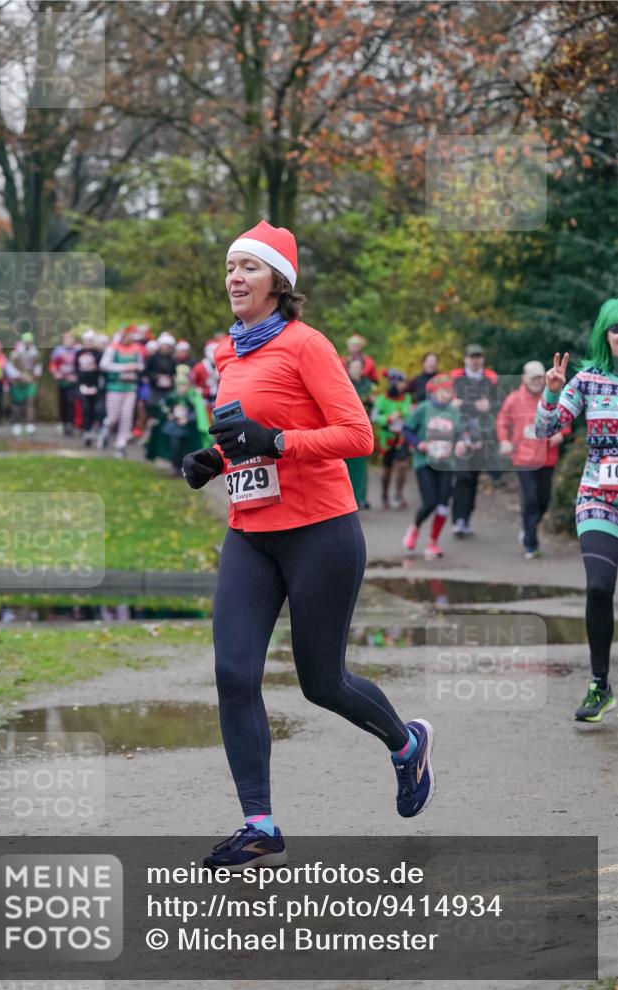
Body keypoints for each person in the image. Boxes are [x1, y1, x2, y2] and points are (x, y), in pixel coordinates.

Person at [182, 220, 435, 870]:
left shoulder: (305, 345)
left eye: (249, 267)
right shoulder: (228, 354)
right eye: (230, 265)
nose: (234, 277)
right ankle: (258, 824)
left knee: (320, 683)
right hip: (250, 532)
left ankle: (406, 745)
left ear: (278, 283)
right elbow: (249, 437)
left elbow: (357, 435)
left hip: (319, 531)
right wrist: (214, 459)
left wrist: (276, 443)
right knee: (233, 673)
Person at [536, 299, 618, 723]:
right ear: (605, 334)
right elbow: (545, 429)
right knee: (601, 587)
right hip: (598, 497)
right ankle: (599, 685)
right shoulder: (588, 379)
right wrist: (551, 392)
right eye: (617, 329)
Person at [496, 360, 568, 559]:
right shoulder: (514, 399)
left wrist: (561, 433)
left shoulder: (553, 397)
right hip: (524, 459)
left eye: (540, 377)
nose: (537, 382)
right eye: (533, 378)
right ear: (523, 378)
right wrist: (504, 441)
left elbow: (566, 418)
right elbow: (502, 421)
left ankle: (529, 529)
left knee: (543, 500)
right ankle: (530, 543)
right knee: (530, 499)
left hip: (547, 458)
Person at [402, 373, 473, 559]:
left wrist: (462, 442)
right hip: (424, 461)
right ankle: (415, 528)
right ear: (434, 391)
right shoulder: (423, 408)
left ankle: (432, 542)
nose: (446, 394)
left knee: (443, 505)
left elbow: (461, 433)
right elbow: (407, 429)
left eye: (449, 390)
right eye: (443, 390)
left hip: (446, 463)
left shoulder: (454, 412)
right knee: (430, 502)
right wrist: (418, 444)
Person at [450, 343, 499, 536]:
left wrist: (488, 405)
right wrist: (470, 405)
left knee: (473, 478)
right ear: (466, 359)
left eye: (478, 356)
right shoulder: (455, 378)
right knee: (462, 476)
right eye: (472, 356)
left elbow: (495, 404)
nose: (475, 360)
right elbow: (450, 404)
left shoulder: (490, 379)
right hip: (460, 435)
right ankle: (458, 519)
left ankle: (466, 518)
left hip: (481, 435)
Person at [98, 327, 144, 458]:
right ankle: (105, 430)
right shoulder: (113, 348)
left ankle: (120, 445)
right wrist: (124, 367)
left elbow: (141, 365)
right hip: (114, 387)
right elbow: (104, 365)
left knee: (126, 417)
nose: (131, 339)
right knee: (113, 417)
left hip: (130, 388)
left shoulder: (136, 348)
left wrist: (136, 367)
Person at [159, 366, 211, 476]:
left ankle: (184, 468)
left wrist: (188, 418)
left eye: (184, 386)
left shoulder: (190, 399)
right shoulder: (173, 397)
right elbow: (163, 406)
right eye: (180, 386)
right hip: (173, 428)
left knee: (186, 449)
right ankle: (175, 467)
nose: (182, 388)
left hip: (186, 428)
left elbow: (196, 412)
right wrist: (169, 414)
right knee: (175, 447)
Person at [372, 368, 412, 509]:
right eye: (401, 382)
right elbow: (375, 417)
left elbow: (409, 413)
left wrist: (404, 415)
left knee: (402, 465)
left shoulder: (406, 398)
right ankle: (384, 494)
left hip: (401, 437)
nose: (404, 385)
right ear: (394, 382)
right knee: (387, 469)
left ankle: (399, 494)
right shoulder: (382, 399)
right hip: (387, 439)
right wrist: (389, 418)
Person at [345, 357, 375, 509]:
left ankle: (361, 497)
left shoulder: (367, 386)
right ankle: (350, 498)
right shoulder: (344, 382)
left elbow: (374, 404)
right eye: (353, 367)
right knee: (348, 464)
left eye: (358, 367)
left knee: (361, 466)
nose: (356, 370)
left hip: (364, 426)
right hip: (347, 426)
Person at [5, 331, 42, 435]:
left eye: (29, 341)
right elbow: (9, 367)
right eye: (26, 341)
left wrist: (33, 376)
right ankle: (16, 424)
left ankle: (30, 424)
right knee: (17, 403)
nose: (27, 343)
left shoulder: (35, 353)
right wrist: (19, 376)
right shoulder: (15, 353)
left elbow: (38, 366)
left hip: (30, 380)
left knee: (30, 401)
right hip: (17, 381)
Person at [75, 329, 103, 446]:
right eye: (87, 341)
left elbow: (102, 369)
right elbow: (76, 368)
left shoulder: (99, 354)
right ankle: (86, 431)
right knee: (86, 409)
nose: (88, 343)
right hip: (83, 385)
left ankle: (94, 429)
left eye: (90, 341)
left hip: (96, 386)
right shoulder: (79, 353)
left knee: (97, 410)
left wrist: (96, 369)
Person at [49, 331, 79, 435]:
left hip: (73, 382)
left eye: (70, 339)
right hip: (62, 382)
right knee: (63, 403)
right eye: (66, 339)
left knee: (72, 402)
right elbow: (53, 365)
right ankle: (64, 423)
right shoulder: (58, 351)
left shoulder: (77, 350)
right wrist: (56, 373)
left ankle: (71, 423)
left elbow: (81, 365)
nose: (68, 341)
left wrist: (77, 376)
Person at [191, 337, 222, 417]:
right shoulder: (199, 367)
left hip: (219, 399)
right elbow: (193, 382)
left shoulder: (221, 366)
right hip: (205, 401)